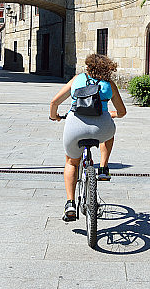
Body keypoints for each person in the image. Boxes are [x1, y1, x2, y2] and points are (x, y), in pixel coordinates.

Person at [49, 53, 126, 222]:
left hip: (75, 127)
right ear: (107, 68)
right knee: (110, 133)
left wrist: (54, 116)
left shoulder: (77, 79)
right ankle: (103, 168)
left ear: (88, 66)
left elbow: (54, 102)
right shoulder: (109, 84)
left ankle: (70, 203)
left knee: (71, 162)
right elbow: (122, 112)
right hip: (102, 129)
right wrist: (111, 114)